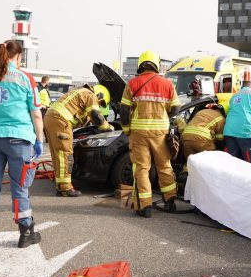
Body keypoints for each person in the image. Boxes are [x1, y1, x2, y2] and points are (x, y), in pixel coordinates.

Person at [0, 40, 44, 251]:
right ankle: (26, 232)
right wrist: (39, 140)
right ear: (18, 56)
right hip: (19, 140)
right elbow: (36, 113)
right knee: (20, 187)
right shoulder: (25, 78)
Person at [120, 50, 179, 218]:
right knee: (164, 166)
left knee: (141, 168)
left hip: (139, 133)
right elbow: (176, 107)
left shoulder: (132, 83)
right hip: (160, 132)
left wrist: (126, 129)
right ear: (157, 65)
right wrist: (164, 116)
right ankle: (170, 201)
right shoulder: (167, 84)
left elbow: (124, 110)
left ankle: (144, 207)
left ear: (141, 65)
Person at [44, 84, 112, 197]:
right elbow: (96, 115)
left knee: (58, 154)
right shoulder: (90, 95)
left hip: (51, 118)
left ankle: (61, 184)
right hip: (60, 120)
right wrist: (108, 127)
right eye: (100, 102)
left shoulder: (80, 92)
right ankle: (65, 188)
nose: (99, 105)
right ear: (100, 94)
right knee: (65, 155)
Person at [223, 70, 251, 162]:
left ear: (242, 85)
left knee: (231, 159)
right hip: (244, 130)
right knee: (249, 160)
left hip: (229, 130)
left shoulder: (234, 95)